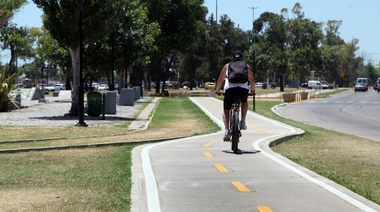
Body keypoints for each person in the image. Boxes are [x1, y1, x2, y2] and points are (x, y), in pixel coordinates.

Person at [215, 50, 255, 141]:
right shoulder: (246, 66)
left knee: (226, 110)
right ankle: (243, 121)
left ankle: (226, 130)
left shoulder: (227, 66)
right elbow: (252, 80)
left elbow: (221, 79)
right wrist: (252, 90)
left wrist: (217, 90)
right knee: (244, 102)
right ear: (242, 58)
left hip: (230, 90)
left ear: (232, 58)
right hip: (243, 90)